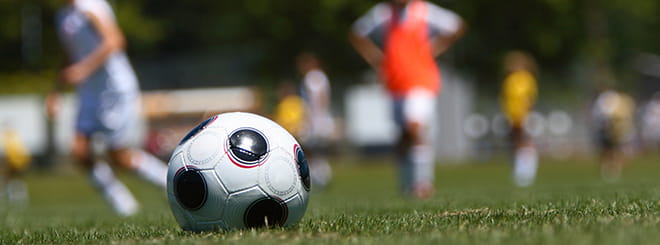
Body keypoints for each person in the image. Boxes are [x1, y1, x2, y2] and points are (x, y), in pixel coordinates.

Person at [46, 0, 168, 216]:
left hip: (114, 89)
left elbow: (114, 41)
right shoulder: (63, 16)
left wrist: (83, 69)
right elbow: (68, 55)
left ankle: (169, 181)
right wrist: (56, 91)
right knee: (79, 151)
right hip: (89, 93)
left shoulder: (90, 7)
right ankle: (122, 203)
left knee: (120, 157)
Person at [349, 0, 466, 199]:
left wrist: (433, 47)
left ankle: (423, 183)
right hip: (395, 83)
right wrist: (377, 59)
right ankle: (406, 184)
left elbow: (457, 26)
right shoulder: (383, 14)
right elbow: (356, 34)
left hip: (421, 80)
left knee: (415, 127)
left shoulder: (425, 11)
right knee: (403, 136)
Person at [499, 51, 539, 187]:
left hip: (524, 114)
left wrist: (527, 114)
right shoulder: (509, 80)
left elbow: (530, 99)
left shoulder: (527, 79)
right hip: (512, 115)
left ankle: (527, 171)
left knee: (525, 141)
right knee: (515, 143)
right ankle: (518, 169)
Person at [297, 52, 335, 189]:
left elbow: (316, 99)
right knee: (316, 150)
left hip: (315, 119)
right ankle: (321, 175)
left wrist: (311, 119)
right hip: (321, 118)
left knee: (310, 149)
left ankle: (321, 175)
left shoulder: (311, 77)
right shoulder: (321, 76)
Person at [591, 89, 636, 182]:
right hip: (606, 130)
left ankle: (615, 169)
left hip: (615, 131)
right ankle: (607, 169)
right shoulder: (604, 103)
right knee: (607, 150)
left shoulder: (616, 102)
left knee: (616, 150)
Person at [1, 122, 32, 205]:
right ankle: (18, 195)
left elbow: (9, 150)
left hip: (14, 159)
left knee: (8, 178)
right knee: (12, 178)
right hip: (21, 159)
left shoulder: (6, 135)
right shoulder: (15, 134)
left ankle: (12, 196)